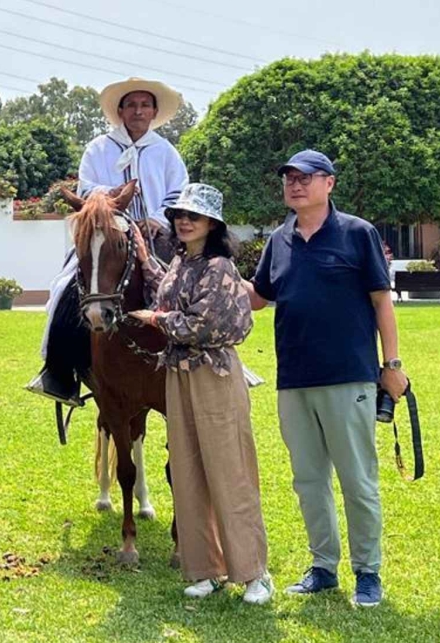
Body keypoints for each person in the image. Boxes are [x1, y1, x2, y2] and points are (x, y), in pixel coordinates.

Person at [248, 149, 407, 608]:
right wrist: (209, 263)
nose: (295, 185)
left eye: (306, 177)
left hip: (349, 378)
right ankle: (322, 568)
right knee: (308, 480)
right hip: (293, 381)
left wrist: (391, 365)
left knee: (358, 480)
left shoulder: (359, 233)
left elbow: (382, 302)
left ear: (329, 183)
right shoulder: (278, 240)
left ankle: (367, 571)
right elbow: (258, 298)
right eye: (289, 178)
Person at [125, 183, 272, 604]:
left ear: (213, 223)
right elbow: (167, 292)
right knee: (187, 471)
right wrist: (142, 258)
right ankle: (204, 568)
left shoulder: (220, 267)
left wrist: (156, 320)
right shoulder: (181, 262)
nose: (184, 220)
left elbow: (200, 325)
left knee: (230, 472)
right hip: (178, 375)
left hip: (213, 376)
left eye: (194, 215)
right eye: (179, 214)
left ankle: (253, 573)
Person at [27, 78, 189, 405]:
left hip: (157, 234)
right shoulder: (98, 148)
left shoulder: (166, 152)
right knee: (64, 289)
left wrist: (156, 218)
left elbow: (179, 192)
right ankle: (59, 373)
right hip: (105, 232)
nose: (138, 111)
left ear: (154, 111)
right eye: (131, 105)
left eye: (145, 105)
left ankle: (219, 365)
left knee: (193, 284)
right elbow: (86, 188)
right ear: (120, 111)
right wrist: (114, 197)